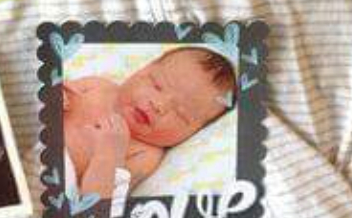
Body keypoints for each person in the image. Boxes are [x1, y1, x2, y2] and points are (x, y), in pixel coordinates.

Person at [63, 46, 234, 199]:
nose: (159, 105)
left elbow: (97, 204)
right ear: (142, 70)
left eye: (180, 113)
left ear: (192, 134)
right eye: (157, 86)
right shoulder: (99, 86)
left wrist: (108, 156)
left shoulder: (144, 155)